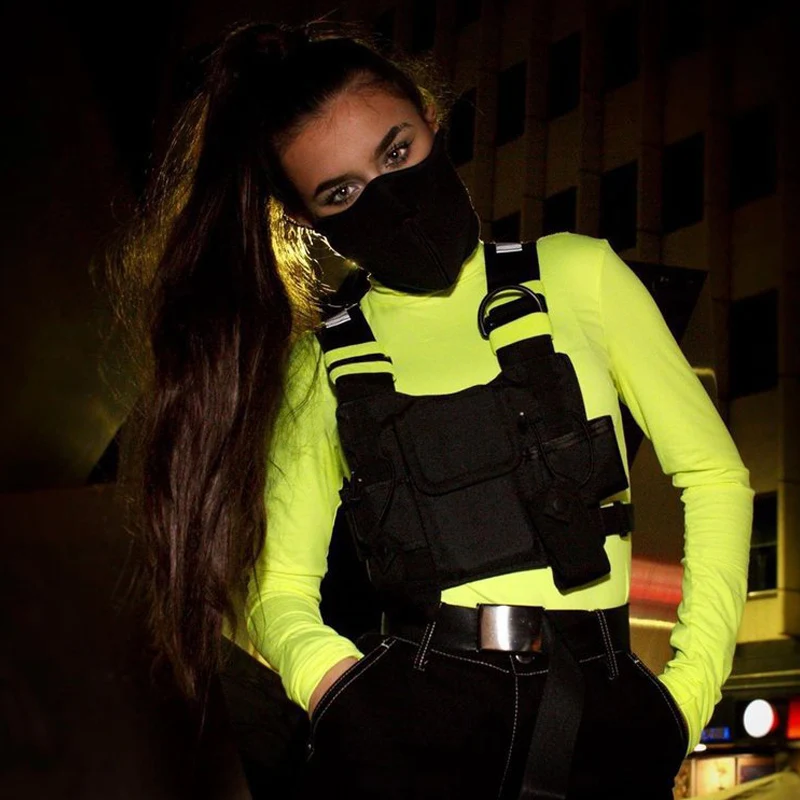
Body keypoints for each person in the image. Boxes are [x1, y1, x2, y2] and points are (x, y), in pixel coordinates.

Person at [114, 19, 753, 800]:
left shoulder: (577, 274)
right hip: (413, 719)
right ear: (310, 221)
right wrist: (339, 693)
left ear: (429, 117)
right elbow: (276, 585)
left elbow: (715, 477)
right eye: (342, 192)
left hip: (601, 703)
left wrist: (687, 695)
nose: (388, 197)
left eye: (396, 151)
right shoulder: (322, 363)